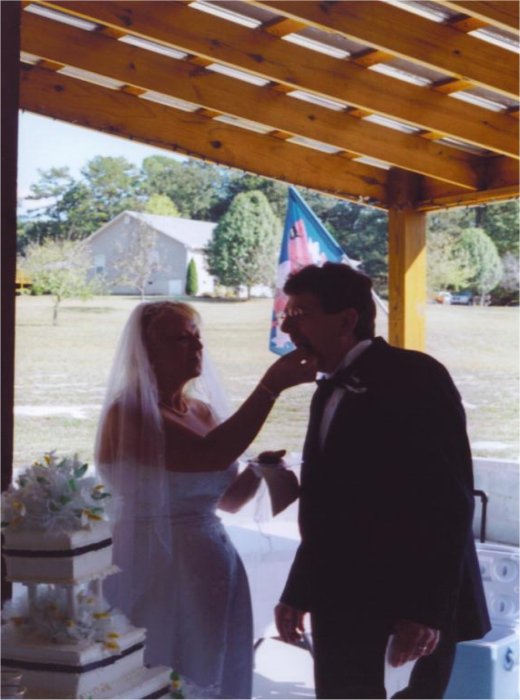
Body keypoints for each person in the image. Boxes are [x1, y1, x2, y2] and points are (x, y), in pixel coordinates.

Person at [274, 263, 490, 699]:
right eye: (287, 313)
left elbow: (448, 501)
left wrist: (423, 613)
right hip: (341, 604)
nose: (286, 325)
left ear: (347, 319)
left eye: (300, 314)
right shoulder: (325, 390)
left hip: (406, 609)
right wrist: (298, 590)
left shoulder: (416, 376)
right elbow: (324, 506)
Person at [94, 301, 316, 699]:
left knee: (216, 664)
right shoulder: (129, 413)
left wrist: (257, 471)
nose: (195, 347)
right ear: (146, 352)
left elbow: (227, 500)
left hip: (214, 560)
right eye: (180, 339)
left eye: (197, 337)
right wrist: (270, 387)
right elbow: (209, 456)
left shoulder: (202, 411)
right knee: (168, 667)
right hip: (156, 565)